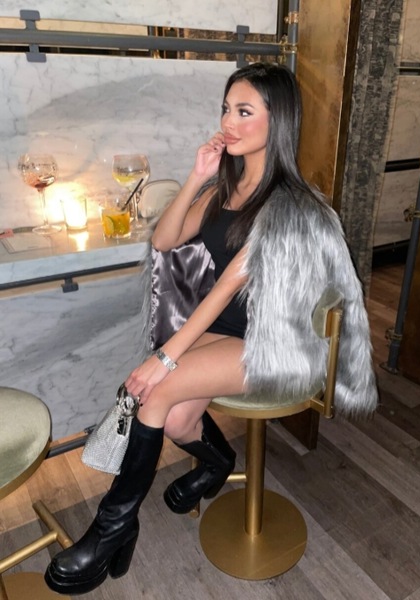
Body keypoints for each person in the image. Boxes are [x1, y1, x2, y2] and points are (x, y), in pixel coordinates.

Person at [45, 62, 378, 596]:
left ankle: (112, 529)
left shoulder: (286, 206)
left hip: (273, 342)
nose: (228, 121)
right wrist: (198, 175)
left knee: (158, 390)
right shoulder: (228, 187)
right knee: (177, 418)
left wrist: (164, 358)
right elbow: (164, 241)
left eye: (244, 111)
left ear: (278, 119)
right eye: (226, 109)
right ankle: (218, 461)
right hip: (225, 330)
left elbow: (223, 289)